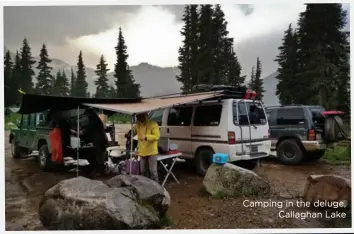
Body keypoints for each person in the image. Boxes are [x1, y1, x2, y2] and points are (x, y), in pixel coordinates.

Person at [132, 112, 160, 182]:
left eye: (140, 116)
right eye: (137, 116)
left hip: (152, 151)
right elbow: (139, 140)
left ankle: (156, 187)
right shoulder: (137, 125)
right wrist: (136, 150)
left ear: (145, 116)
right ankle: (145, 186)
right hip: (142, 151)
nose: (138, 118)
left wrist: (147, 137)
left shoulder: (153, 124)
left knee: (153, 171)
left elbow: (157, 136)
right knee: (143, 171)